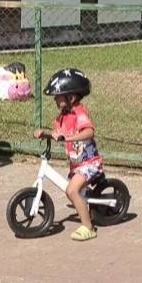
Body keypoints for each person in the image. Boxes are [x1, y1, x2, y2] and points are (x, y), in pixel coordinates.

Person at [33, 68, 102, 242]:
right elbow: (59, 135)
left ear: (71, 97)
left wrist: (69, 138)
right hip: (76, 165)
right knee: (71, 191)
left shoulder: (79, 113)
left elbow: (89, 132)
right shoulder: (61, 118)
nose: (55, 100)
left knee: (72, 190)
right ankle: (88, 207)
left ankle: (88, 228)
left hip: (89, 163)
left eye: (58, 96)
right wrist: (45, 134)